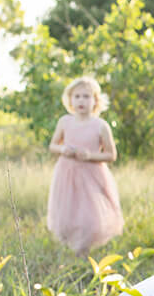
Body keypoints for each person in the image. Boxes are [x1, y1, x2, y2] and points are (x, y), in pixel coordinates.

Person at [47, 76, 124, 256]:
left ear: (95, 101)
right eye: (77, 96)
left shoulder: (100, 126)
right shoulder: (65, 122)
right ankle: (70, 248)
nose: (81, 101)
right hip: (67, 173)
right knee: (67, 213)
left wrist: (90, 155)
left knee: (89, 215)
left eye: (86, 97)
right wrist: (63, 149)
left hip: (92, 175)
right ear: (70, 100)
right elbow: (53, 145)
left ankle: (84, 249)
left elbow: (111, 155)